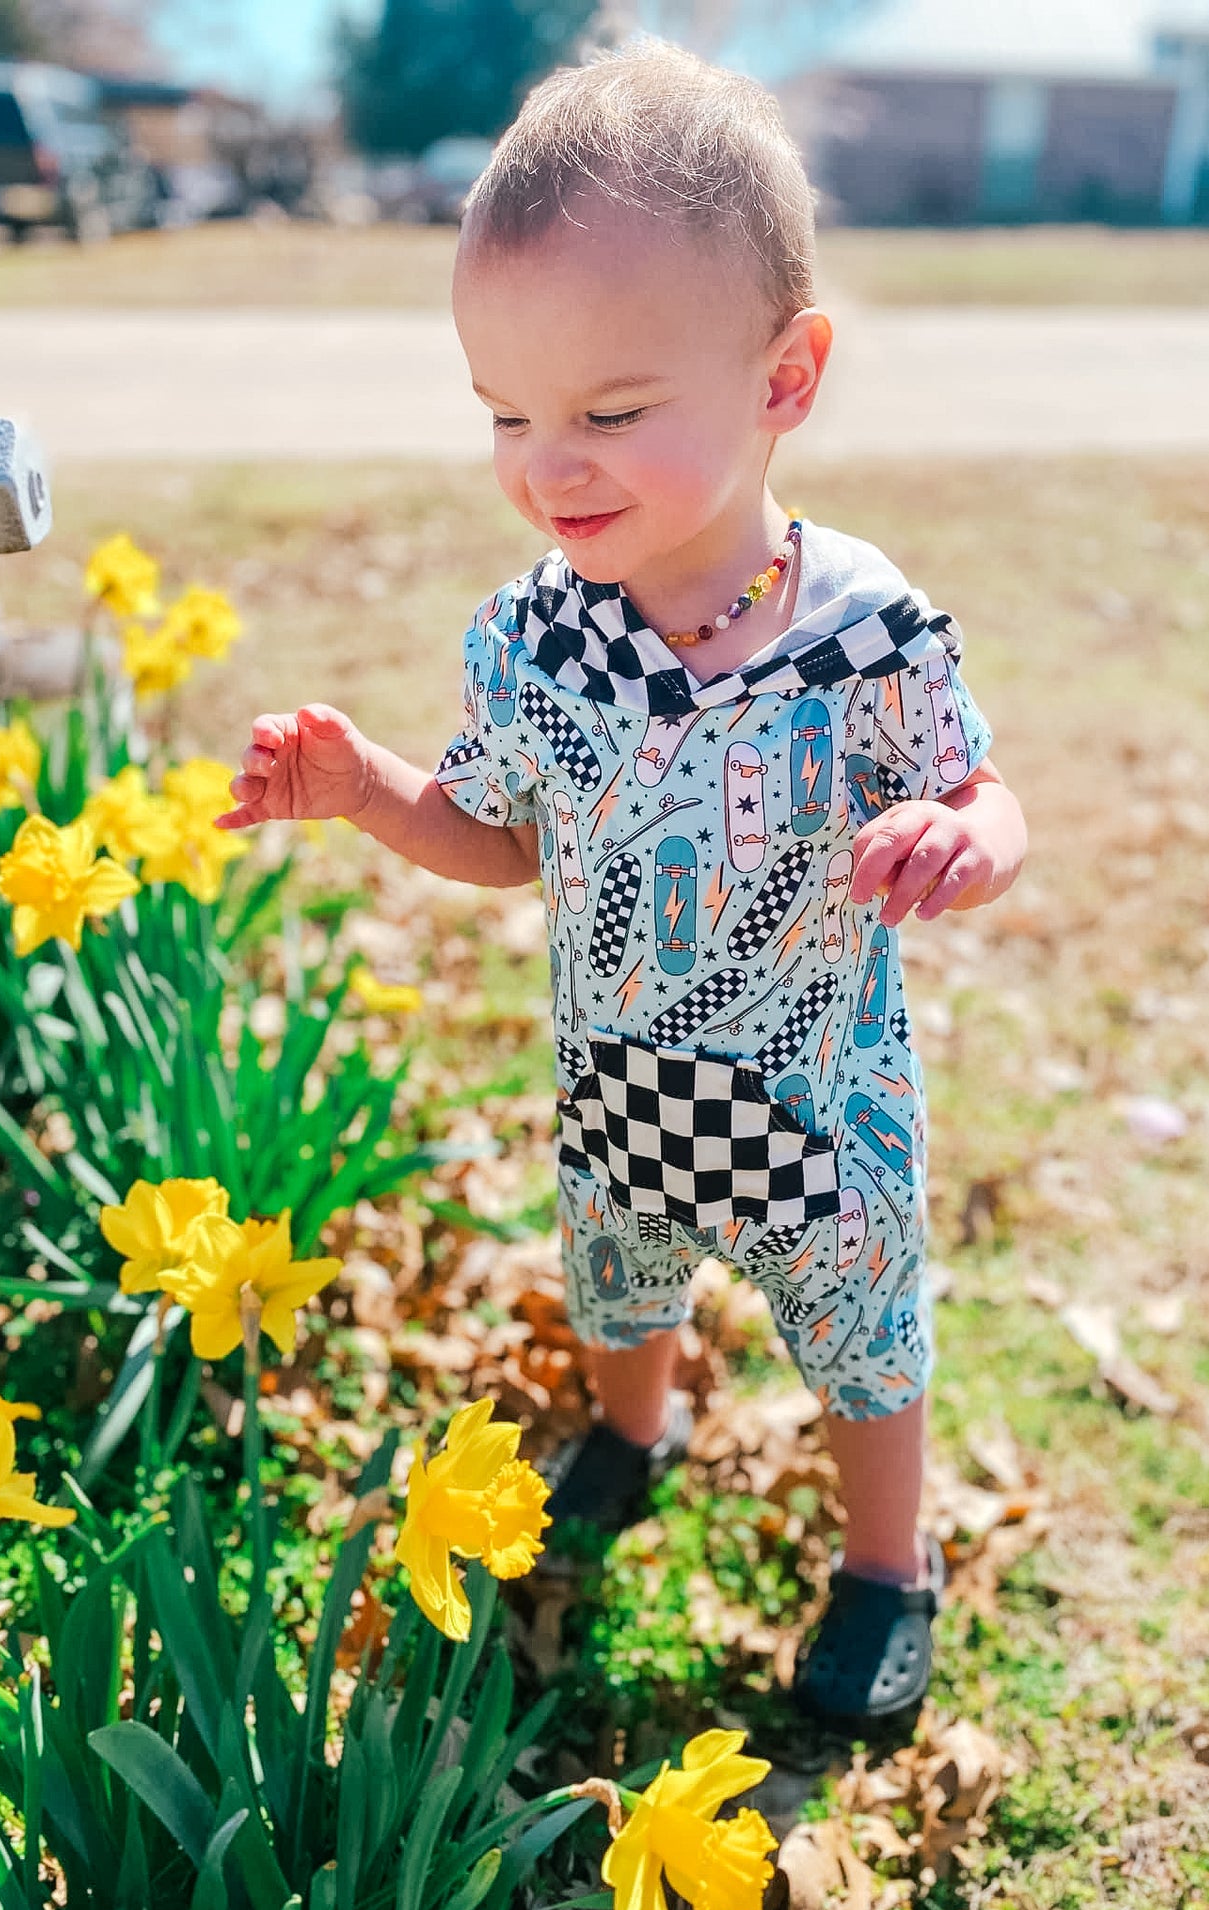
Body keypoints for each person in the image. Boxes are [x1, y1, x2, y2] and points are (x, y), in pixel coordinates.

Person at [215, 39, 1027, 1734]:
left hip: (824, 1098)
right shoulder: (532, 636)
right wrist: (367, 791)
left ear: (784, 378)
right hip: (615, 1080)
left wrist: (968, 841)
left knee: (862, 1338)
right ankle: (630, 1431)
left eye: (610, 412)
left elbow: (979, 790)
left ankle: (888, 1564)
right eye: (506, 413)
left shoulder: (866, 628)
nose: (546, 464)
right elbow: (504, 838)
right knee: (619, 1283)